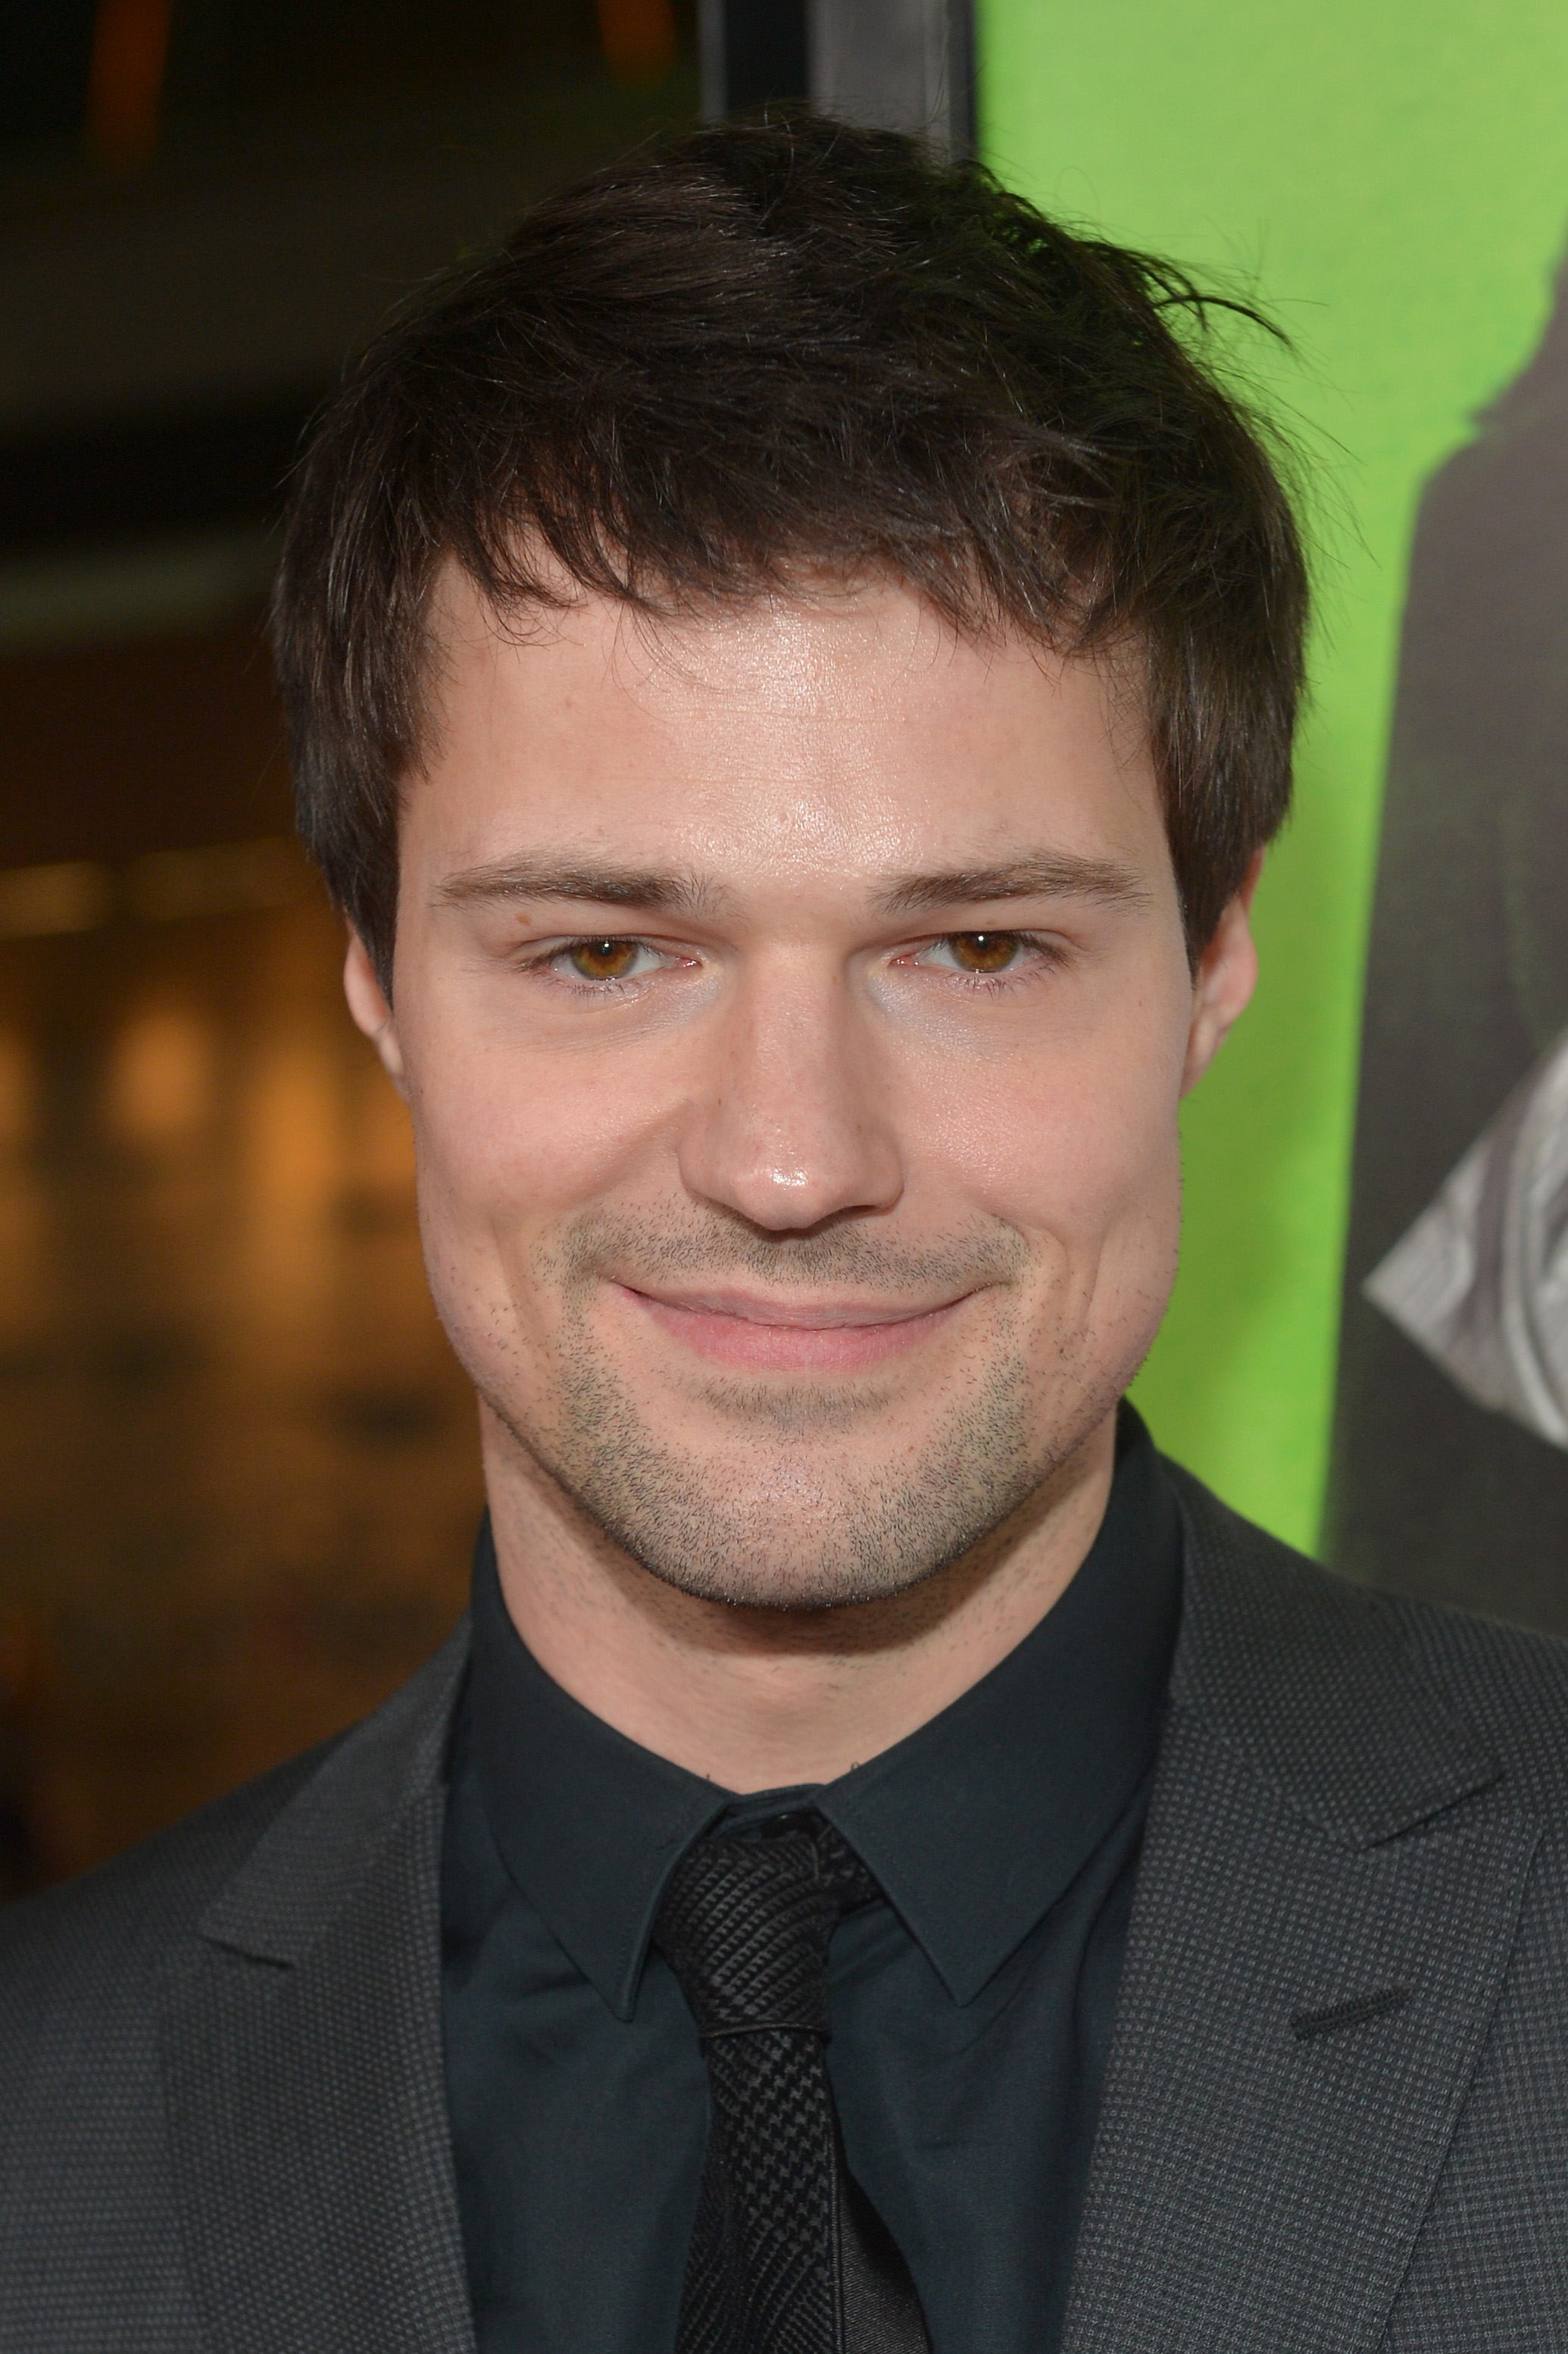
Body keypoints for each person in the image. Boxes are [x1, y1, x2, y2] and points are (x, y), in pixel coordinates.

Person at [4, 115, 1567, 2354]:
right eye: (608, 954)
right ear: (377, 984)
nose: (794, 1155)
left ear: (1217, 968)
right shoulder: (36, 2134)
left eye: (977, 951)